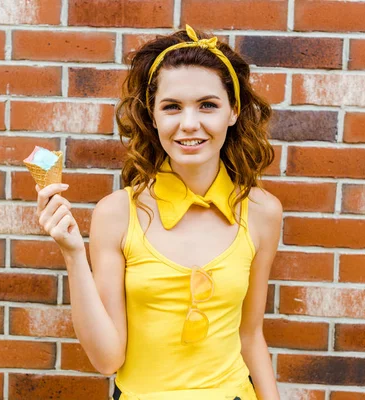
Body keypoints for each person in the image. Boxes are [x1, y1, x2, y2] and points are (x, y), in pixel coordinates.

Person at [35, 24, 282, 400]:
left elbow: (250, 335)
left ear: (233, 111)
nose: (189, 124)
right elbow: (106, 360)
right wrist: (72, 252)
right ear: (152, 116)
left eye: (207, 105)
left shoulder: (263, 211)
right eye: (171, 107)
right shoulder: (117, 213)